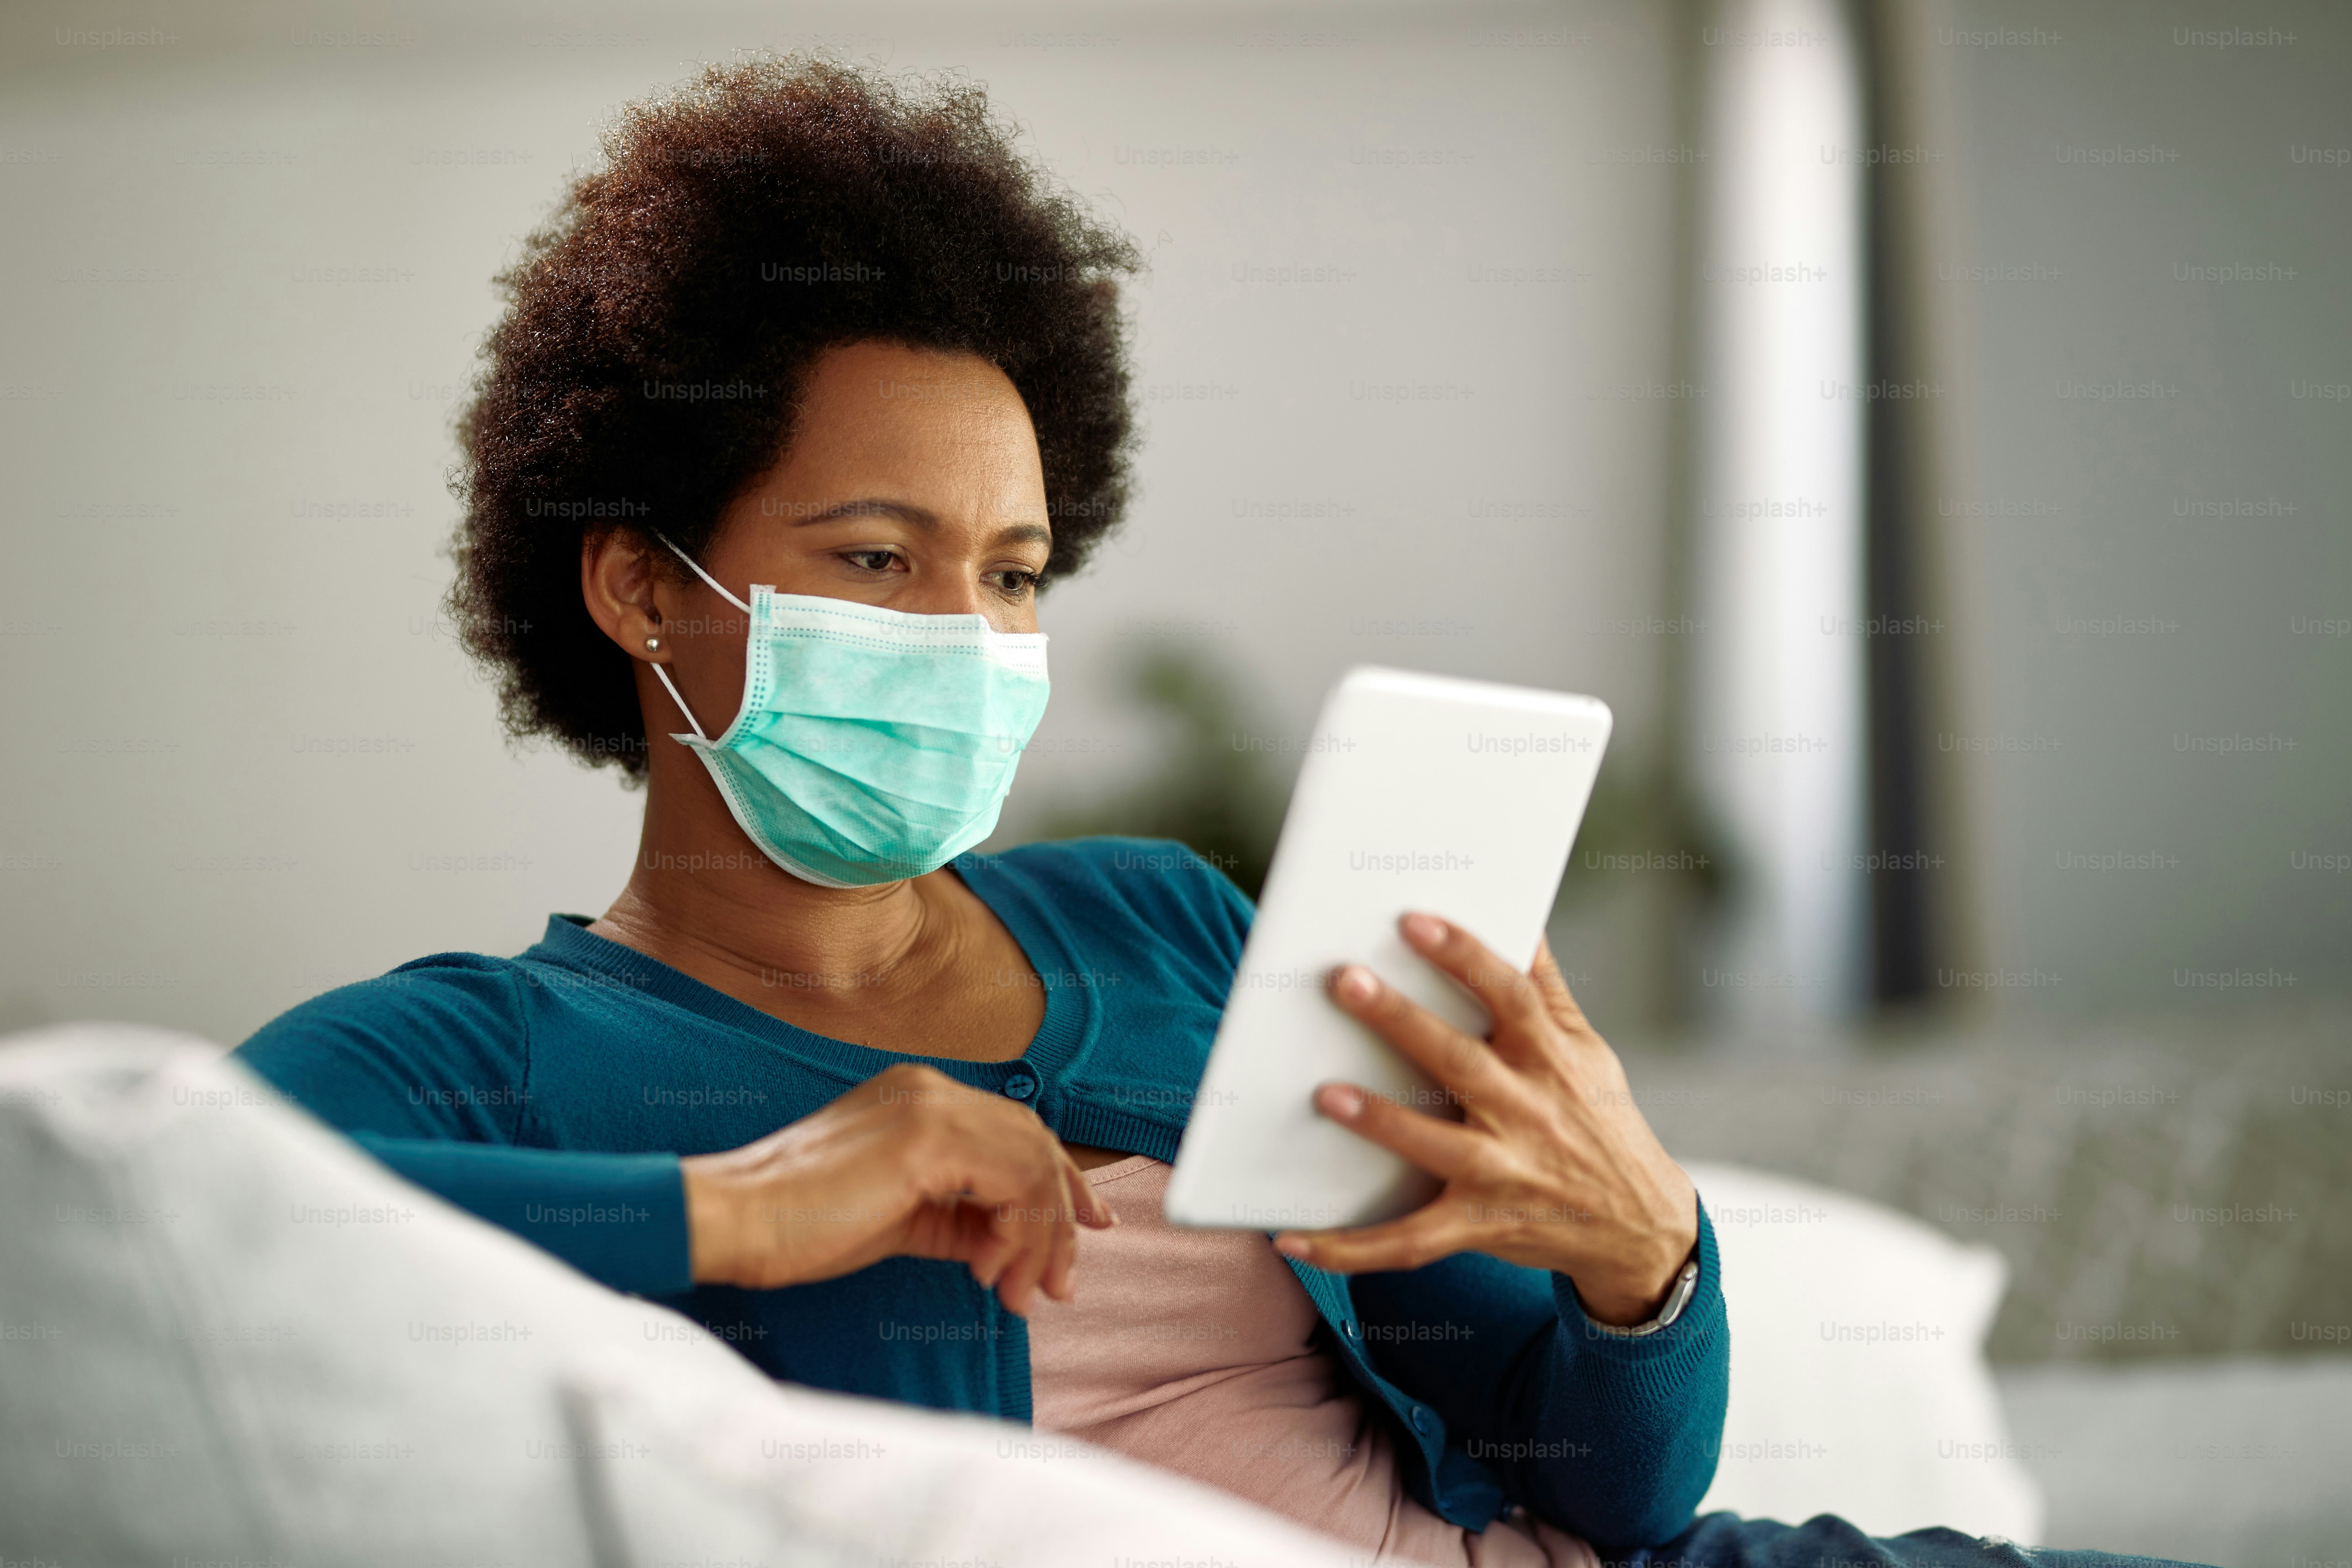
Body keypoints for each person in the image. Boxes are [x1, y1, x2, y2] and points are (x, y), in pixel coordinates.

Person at [236, 57, 2197, 1568]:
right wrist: (755, 1204)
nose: (971, 633)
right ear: (642, 585)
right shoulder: (491, 1051)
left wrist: (1639, 1262)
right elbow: (134, 1222)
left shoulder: (1159, 919)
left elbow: (1603, 1486)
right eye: (878, 556)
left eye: (1012, 571)